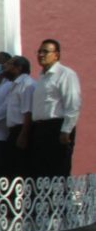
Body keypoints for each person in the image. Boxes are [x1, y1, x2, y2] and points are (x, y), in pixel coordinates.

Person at [31, 39, 82, 178]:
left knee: (58, 170)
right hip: (40, 129)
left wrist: (66, 130)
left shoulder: (66, 74)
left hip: (57, 128)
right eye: (39, 51)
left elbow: (73, 103)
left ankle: (61, 200)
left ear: (56, 55)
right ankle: (46, 200)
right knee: (42, 172)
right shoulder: (42, 77)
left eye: (45, 51)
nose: (41, 54)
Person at [3, 55, 36, 180]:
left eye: (9, 64)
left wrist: (23, 135)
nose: (5, 67)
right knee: (12, 168)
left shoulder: (26, 84)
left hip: (21, 130)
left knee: (22, 168)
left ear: (18, 68)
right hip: (14, 130)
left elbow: (28, 112)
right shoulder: (15, 84)